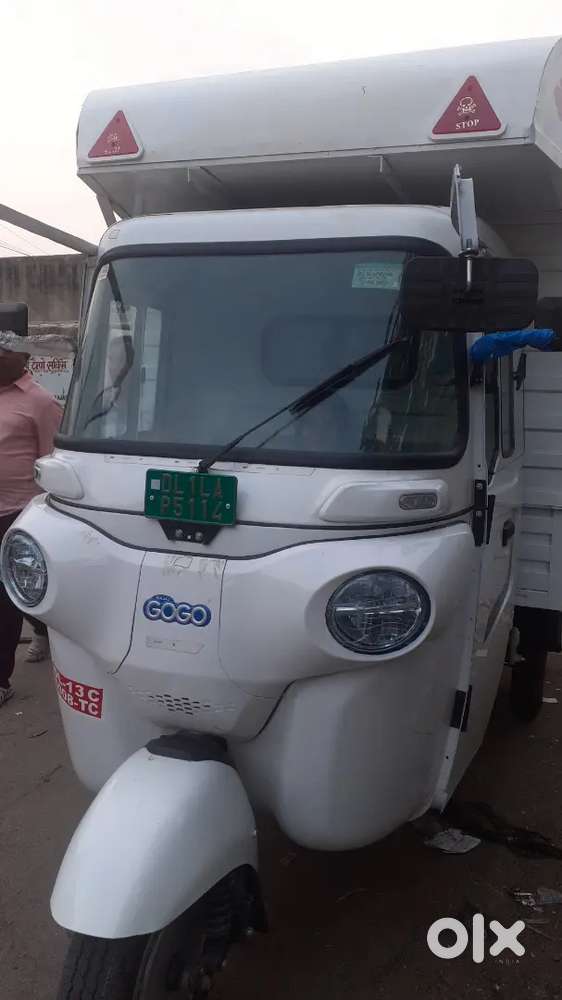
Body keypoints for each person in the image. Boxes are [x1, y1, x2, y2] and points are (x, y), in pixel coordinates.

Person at [0, 344, 62, 706]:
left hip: (18, 513)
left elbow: (52, 462)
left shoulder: (41, 402)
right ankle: (41, 627)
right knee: (18, 592)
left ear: (22, 358)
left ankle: (0, 680)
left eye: (4, 349)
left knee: (6, 596)